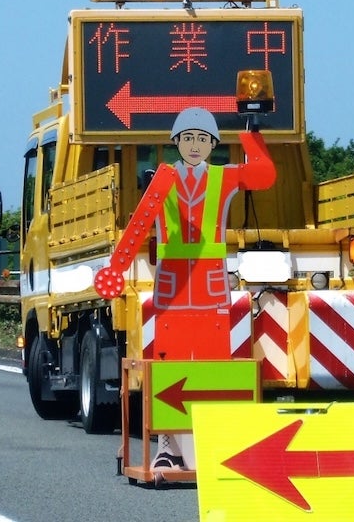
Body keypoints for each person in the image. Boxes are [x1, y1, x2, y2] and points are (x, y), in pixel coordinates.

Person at [93, 106, 276, 471]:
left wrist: (250, 132)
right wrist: (115, 268)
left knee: (212, 368)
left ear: (212, 143)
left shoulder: (224, 178)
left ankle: (215, 444)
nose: (195, 145)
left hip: (210, 290)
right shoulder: (162, 178)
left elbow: (265, 175)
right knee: (169, 370)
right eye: (188, 138)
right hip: (171, 292)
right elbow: (140, 224)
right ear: (177, 142)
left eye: (202, 138)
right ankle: (168, 448)